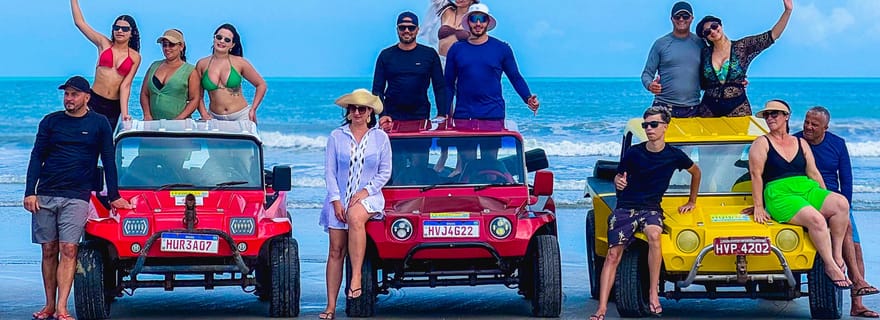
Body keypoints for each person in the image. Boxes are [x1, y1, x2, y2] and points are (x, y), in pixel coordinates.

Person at [24, 76, 132, 320]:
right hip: (46, 194)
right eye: (66, 94)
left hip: (77, 196)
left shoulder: (99, 123)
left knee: (70, 248)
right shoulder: (50, 122)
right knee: (49, 250)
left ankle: (62, 307)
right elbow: (36, 157)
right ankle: (49, 305)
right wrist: (29, 192)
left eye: (74, 94)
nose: (69, 99)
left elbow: (108, 160)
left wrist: (113, 196)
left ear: (86, 97)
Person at [590, 106, 701, 320]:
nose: (649, 129)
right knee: (613, 254)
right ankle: (602, 308)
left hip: (651, 209)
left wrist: (692, 201)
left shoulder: (674, 155)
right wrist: (618, 181)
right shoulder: (634, 153)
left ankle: (653, 293)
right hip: (626, 207)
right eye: (646, 125)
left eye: (654, 124)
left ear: (665, 127)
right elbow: (618, 177)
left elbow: (696, 172)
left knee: (654, 235)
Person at [747, 100, 852, 291]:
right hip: (780, 193)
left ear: (786, 116)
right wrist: (759, 206)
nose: (770, 118)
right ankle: (830, 265)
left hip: (806, 188)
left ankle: (837, 255)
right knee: (816, 219)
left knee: (841, 203)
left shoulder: (800, 142)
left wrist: (824, 194)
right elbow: (756, 175)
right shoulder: (761, 142)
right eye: (767, 115)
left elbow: (813, 172)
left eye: (774, 114)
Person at [794, 106, 879, 318]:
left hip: (836, 201)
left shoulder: (837, 144)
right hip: (807, 200)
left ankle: (857, 303)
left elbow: (846, 179)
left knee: (857, 247)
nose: (808, 127)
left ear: (826, 127)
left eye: (814, 124)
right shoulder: (795, 142)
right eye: (806, 122)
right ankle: (857, 281)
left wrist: (846, 207)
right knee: (847, 228)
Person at [319, 89, 392, 320]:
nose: (358, 112)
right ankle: (330, 306)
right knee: (335, 251)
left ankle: (357, 276)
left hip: (368, 197)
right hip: (339, 196)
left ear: (370, 112)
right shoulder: (336, 136)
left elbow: (385, 172)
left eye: (362, 108)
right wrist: (335, 200)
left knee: (355, 216)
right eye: (353, 108)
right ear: (348, 113)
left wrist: (365, 191)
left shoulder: (380, 137)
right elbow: (330, 172)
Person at [444, 3, 539, 168]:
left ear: (488, 22)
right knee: (467, 164)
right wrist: (445, 113)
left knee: (490, 163)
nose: (478, 23)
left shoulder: (502, 48)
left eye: (482, 19)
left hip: (492, 114)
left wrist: (528, 98)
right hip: (464, 115)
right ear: (469, 22)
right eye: (474, 19)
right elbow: (448, 85)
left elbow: (515, 77)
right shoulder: (456, 49)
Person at [372, 12, 446, 176]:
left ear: (417, 29)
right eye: (402, 27)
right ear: (397, 30)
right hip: (393, 119)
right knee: (394, 167)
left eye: (411, 27)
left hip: (420, 117)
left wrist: (442, 114)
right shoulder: (386, 55)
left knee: (418, 165)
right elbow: (377, 90)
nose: (407, 31)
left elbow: (439, 87)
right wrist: (382, 115)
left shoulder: (429, 54)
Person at [695, 0, 792, 117]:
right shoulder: (704, 53)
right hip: (708, 106)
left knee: (742, 136)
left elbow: (772, 36)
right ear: (705, 37)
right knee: (706, 136)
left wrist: (788, 11)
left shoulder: (742, 47)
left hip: (737, 106)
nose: (713, 31)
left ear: (721, 25)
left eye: (714, 26)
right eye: (707, 32)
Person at [70, 0, 141, 130]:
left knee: (105, 140)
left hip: (114, 105)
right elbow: (80, 23)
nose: (120, 31)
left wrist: (125, 114)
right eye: (116, 27)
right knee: (86, 136)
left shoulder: (135, 57)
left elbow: (126, 86)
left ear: (132, 33)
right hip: (93, 100)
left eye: (125, 29)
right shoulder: (104, 44)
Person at [641, 2, 704, 118]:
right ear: (671, 19)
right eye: (677, 16)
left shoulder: (700, 43)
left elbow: (715, 68)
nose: (681, 19)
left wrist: (737, 81)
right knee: (659, 137)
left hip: (693, 108)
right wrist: (650, 85)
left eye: (685, 16)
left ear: (692, 19)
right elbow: (647, 73)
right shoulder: (660, 44)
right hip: (663, 107)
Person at [195, 24, 267, 122]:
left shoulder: (240, 62)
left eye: (227, 40)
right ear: (214, 38)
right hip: (214, 117)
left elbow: (261, 84)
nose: (222, 41)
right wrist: (203, 113)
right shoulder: (202, 64)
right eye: (219, 37)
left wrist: (253, 109)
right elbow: (197, 95)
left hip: (241, 116)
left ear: (232, 45)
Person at [140, 29, 209, 120]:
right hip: (153, 124)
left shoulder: (190, 71)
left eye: (171, 44)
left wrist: (179, 119)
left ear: (181, 46)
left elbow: (194, 99)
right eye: (165, 45)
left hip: (179, 126)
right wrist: (147, 114)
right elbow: (144, 93)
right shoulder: (154, 66)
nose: (167, 48)